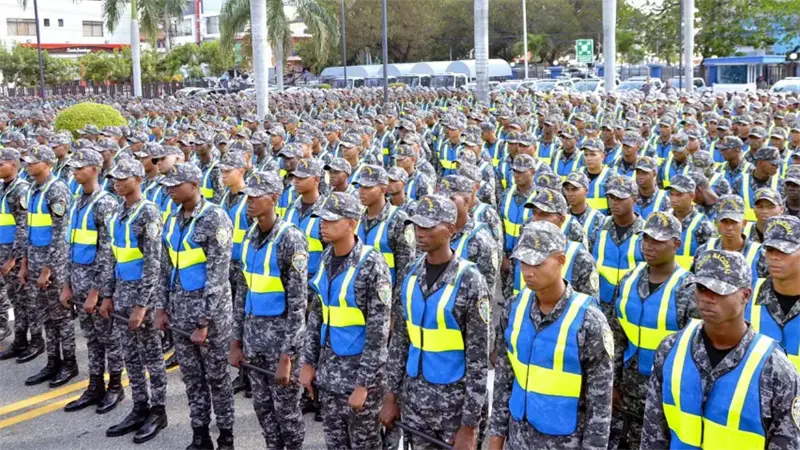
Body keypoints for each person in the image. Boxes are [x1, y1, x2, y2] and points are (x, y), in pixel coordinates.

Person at [640, 249, 800, 448]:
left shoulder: (775, 369)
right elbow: (654, 431)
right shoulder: (671, 349)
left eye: (718, 290)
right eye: (701, 288)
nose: (707, 298)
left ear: (745, 295)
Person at [488, 221, 613, 450]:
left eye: (537, 262)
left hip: (564, 443)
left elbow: (600, 407)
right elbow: (504, 380)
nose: (528, 271)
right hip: (519, 438)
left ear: (561, 260)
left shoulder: (589, 322)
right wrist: (496, 436)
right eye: (523, 262)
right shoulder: (514, 308)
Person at [381, 194, 491, 450]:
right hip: (415, 402)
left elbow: (478, 361)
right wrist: (391, 397)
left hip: (453, 407)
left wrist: (469, 426)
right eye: (418, 225)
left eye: (429, 227)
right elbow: (400, 342)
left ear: (450, 230)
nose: (420, 232)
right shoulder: (410, 273)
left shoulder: (470, 281)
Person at [300, 192, 392, 450]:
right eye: (321, 219)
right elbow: (317, 316)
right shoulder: (327, 258)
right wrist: (308, 363)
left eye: (331, 220)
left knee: (365, 445)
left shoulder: (372, 264)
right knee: (335, 444)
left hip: (358, 379)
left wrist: (364, 385)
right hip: (330, 377)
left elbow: (378, 333)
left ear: (351, 223)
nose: (323, 225)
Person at [155, 163, 236, 450]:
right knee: (191, 378)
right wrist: (162, 308)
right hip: (179, 313)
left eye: (176, 185)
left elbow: (217, 275)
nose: (170, 190)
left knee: (217, 378)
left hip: (209, 318)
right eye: (168, 185)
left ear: (194, 184)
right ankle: (199, 433)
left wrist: (204, 322)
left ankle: (225, 437)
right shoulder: (174, 219)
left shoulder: (215, 218)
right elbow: (167, 268)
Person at [229, 170, 309, 448]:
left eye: (256, 196)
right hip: (254, 341)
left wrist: (288, 356)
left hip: (279, 346)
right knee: (263, 411)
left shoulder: (290, 239)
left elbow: (299, 304)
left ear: (274, 198)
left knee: (286, 414)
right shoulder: (251, 235)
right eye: (247, 195)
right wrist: (236, 341)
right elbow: (242, 293)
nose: (249, 201)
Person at [609, 212, 697, 449]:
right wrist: (613, 382)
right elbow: (617, 336)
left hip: (666, 396)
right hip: (627, 391)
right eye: (645, 239)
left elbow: (693, 355)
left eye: (657, 241)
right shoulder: (628, 280)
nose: (648, 246)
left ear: (676, 244)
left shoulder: (689, 289)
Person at [102, 158, 169, 443]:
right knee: (131, 354)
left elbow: (153, 264)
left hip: (144, 298)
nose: (117, 181)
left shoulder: (148, 213)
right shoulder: (119, 212)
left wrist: (143, 305)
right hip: (122, 295)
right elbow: (114, 258)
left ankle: (158, 409)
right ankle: (139, 406)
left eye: (123, 177)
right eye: (115, 177)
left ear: (139, 179)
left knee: (152, 356)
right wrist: (108, 295)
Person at [60, 147, 124, 411]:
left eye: (80, 167)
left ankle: (116, 386)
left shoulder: (105, 203)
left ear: (95, 169)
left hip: (96, 289)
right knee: (92, 339)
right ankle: (95, 385)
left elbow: (108, 253)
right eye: (73, 167)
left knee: (109, 339)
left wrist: (97, 292)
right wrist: (66, 284)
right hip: (78, 283)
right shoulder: (77, 201)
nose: (74, 171)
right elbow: (70, 247)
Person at [21, 145, 73, 386]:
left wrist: (47, 270)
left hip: (53, 266)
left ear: (47, 164)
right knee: (46, 317)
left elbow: (60, 233)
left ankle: (69, 363)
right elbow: (30, 231)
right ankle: (53, 361)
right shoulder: (33, 188)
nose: (29, 165)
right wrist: (25, 265)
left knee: (60, 317)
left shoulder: (57, 189)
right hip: (35, 261)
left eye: (34, 161)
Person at [217, 151, 254, 397]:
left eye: (228, 171)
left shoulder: (250, 200)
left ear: (241, 171)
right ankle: (242, 373)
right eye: (221, 171)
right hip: (226, 266)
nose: (223, 176)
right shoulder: (223, 199)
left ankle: (251, 374)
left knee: (248, 322)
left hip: (244, 268)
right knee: (235, 323)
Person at [589, 175, 646, 318]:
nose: (614, 203)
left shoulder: (646, 234)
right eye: (611, 198)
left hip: (632, 308)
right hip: (600, 307)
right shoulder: (599, 229)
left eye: (620, 198)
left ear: (634, 199)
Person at [356, 164, 414, 290]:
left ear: (383, 190)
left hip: (385, 293)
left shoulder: (399, 219)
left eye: (368, 187)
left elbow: (405, 265)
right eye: (360, 186)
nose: (361, 191)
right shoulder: (356, 217)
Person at [693, 195, 766, 284]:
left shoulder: (759, 254)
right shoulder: (703, 251)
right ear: (716, 222)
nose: (729, 227)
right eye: (724, 222)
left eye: (734, 222)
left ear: (744, 223)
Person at [0, 148, 30, 360]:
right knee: (14, 298)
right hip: (3, 251)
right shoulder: (4, 188)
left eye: (1, 163)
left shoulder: (21, 190)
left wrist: (14, 259)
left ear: (13, 164)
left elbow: (23, 226)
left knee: (23, 299)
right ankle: (19, 340)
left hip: (13, 256)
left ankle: (29, 340)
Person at [668, 175, 716, 270]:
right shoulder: (663, 219)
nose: (674, 199)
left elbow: (710, 260)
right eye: (671, 194)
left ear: (692, 196)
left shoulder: (703, 225)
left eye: (679, 195)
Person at [732, 146, 782, 222]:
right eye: (773, 164)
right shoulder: (740, 181)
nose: (777, 166)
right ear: (760, 162)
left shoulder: (780, 183)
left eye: (778, 164)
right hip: (746, 231)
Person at [563, 172, 605, 239]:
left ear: (586, 190)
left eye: (574, 189)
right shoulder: (561, 216)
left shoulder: (598, 218)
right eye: (567, 189)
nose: (570, 194)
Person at [581, 138, 614, 215]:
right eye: (586, 155)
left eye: (593, 154)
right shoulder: (578, 175)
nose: (589, 158)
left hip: (601, 223)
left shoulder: (611, 176)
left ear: (602, 156)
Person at [633, 156, 671, 221]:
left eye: (644, 173)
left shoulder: (665, 199)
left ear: (654, 173)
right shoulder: (630, 196)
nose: (640, 176)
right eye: (638, 173)